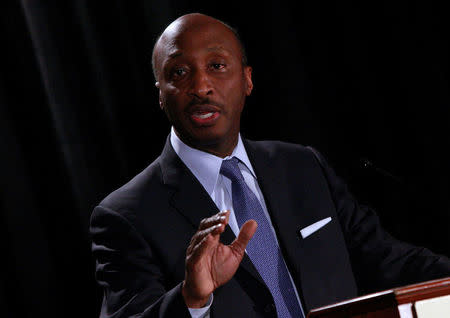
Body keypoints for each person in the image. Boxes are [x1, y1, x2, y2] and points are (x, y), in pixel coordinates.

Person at [90, 13, 450, 318]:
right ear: (160, 92)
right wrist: (191, 299)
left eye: (216, 66)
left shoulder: (302, 166)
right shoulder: (126, 215)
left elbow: (385, 259)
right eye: (180, 72)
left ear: (247, 80)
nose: (201, 86)